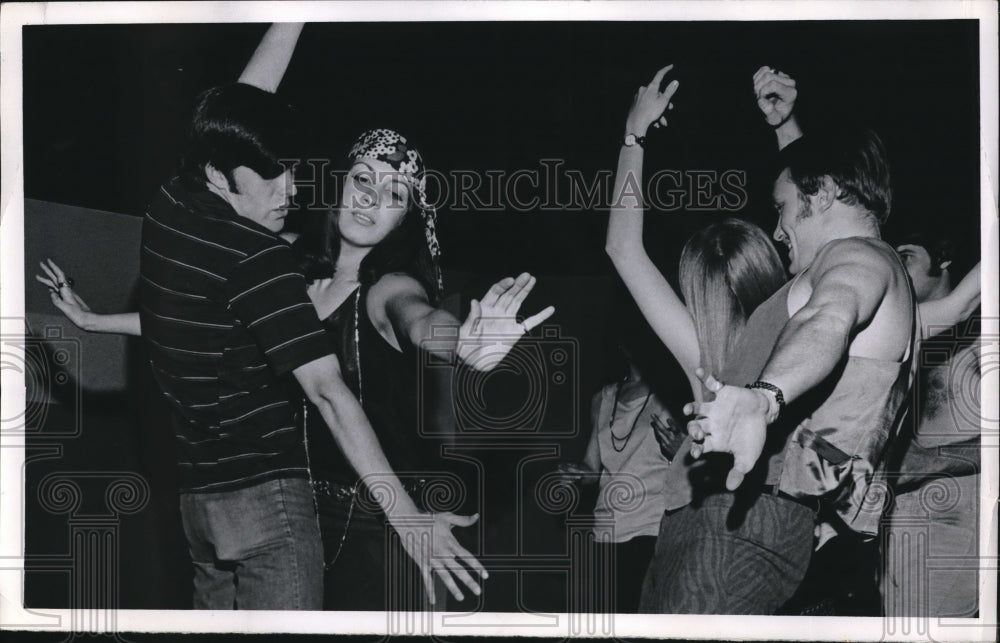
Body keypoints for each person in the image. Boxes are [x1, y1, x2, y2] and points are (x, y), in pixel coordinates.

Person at [35, 23, 552, 610]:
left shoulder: (390, 289)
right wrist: (99, 322)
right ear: (339, 184)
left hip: (372, 523)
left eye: (395, 194)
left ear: (404, 221)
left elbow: (419, 322)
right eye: (363, 178)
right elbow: (215, 324)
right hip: (291, 515)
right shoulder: (287, 276)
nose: (371, 198)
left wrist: (459, 343)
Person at [604, 65, 790, 613]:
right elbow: (826, 229)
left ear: (696, 289)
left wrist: (633, 136)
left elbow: (623, 248)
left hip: (703, 538)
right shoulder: (797, 329)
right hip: (785, 533)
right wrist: (786, 127)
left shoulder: (704, 357)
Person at [881, 229, 982, 618]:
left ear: (943, 259)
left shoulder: (981, 334)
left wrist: (924, 462)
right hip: (898, 512)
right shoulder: (900, 338)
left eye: (905, 256)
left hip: (954, 514)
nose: (894, 269)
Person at [556, 344, 684, 613]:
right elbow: (593, 469)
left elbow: (694, 467)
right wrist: (577, 474)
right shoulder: (603, 398)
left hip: (652, 528)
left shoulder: (674, 393)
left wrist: (680, 451)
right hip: (606, 531)